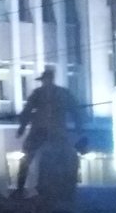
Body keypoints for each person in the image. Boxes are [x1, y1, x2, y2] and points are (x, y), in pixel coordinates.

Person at [15, 66, 79, 194]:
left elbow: (75, 110)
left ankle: (21, 188)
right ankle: (21, 187)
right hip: (51, 131)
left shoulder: (50, 93)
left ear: (48, 79)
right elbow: (76, 111)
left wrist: (22, 128)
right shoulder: (45, 93)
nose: (44, 82)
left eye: (45, 79)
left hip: (49, 131)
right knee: (28, 157)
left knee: (29, 158)